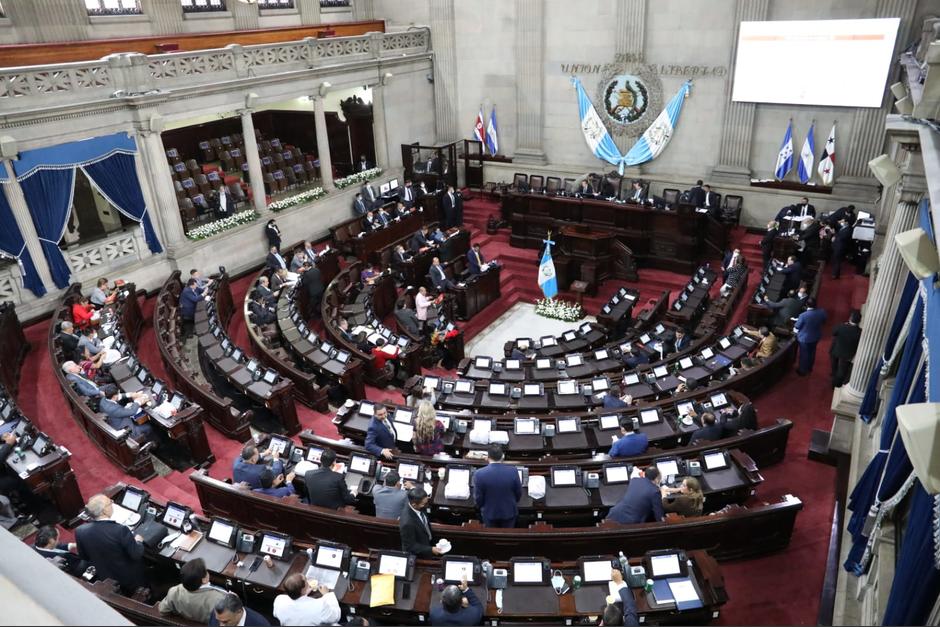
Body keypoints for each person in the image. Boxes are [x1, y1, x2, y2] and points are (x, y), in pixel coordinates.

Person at [75, 494, 147, 595]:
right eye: (110, 503)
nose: (112, 504)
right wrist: (138, 541)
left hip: (104, 576)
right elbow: (136, 554)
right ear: (104, 511)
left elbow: (84, 556)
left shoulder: (80, 531)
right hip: (129, 578)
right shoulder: (120, 530)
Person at [158, 557, 227, 622]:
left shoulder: (174, 591)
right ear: (204, 580)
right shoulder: (220, 598)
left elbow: (162, 610)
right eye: (206, 571)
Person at [472, 445, 522, 528]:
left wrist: (482, 506)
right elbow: (518, 493)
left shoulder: (479, 474)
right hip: (509, 512)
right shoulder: (513, 471)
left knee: (491, 537)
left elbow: (478, 498)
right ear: (503, 456)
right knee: (506, 537)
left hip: (489, 513)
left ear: (488, 457)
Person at [273, 573, 341, 626]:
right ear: (302, 590)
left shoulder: (279, 600)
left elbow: (275, 614)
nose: (308, 582)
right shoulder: (319, 606)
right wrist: (327, 595)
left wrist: (304, 594)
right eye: (306, 581)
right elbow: (336, 617)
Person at [400, 486, 442, 558]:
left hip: (427, 539)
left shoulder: (418, 503)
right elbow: (410, 546)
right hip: (420, 554)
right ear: (414, 505)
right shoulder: (407, 523)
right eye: (423, 504)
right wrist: (430, 549)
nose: (426, 505)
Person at [794, 298, 827, 376]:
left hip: (805, 338)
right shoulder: (822, 312)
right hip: (816, 336)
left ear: (806, 305)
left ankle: (802, 370)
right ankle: (809, 367)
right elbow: (824, 321)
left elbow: (797, 326)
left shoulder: (803, 315)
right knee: (812, 352)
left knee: (804, 354)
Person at [830, 310, 862, 387]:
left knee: (834, 364)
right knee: (842, 370)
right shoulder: (860, 332)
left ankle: (834, 375)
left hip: (836, 349)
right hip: (847, 354)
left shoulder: (842, 326)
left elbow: (833, 332)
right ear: (859, 321)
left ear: (850, 318)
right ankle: (835, 383)